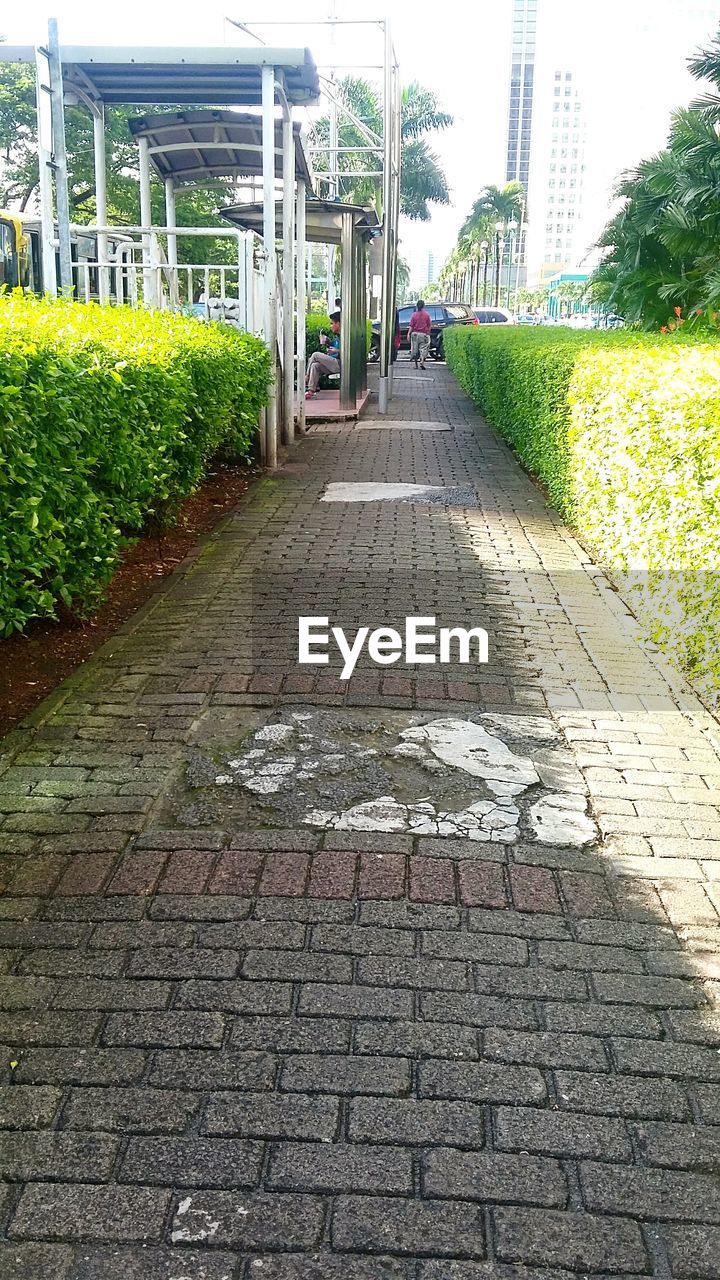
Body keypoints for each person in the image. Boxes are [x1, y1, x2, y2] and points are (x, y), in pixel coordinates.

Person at [306, 311, 341, 398]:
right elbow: (334, 348)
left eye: (332, 323)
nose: (331, 326)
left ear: (338, 323)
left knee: (315, 355)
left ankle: (306, 377)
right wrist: (328, 342)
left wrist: (337, 350)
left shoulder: (346, 335)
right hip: (334, 362)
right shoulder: (337, 337)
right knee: (315, 365)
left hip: (341, 364)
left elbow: (350, 351)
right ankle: (311, 390)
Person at [408, 300, 431, 368]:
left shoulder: (414, 315)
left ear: (417, 306)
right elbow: (429, 325)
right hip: (423, 334)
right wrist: (428, 333)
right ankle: (422, 361)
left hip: (414, 334)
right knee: (423, 348)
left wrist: (408, 334)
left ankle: (416, 365)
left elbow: (411, 326)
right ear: (424, 306)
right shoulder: (427, 315)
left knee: (415, 349)